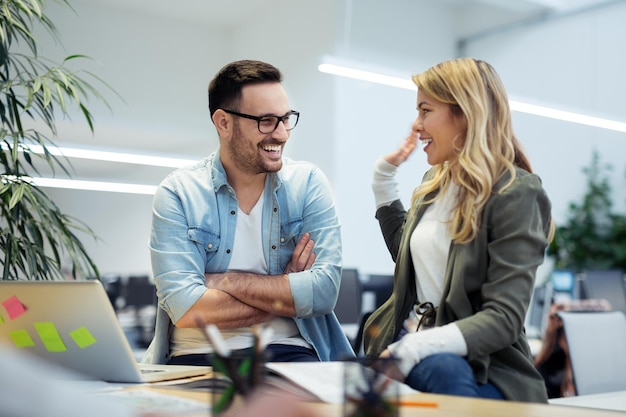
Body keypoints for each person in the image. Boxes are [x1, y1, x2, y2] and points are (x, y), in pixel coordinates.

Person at [363, 57, 553, 403]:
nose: (416, 125)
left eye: (425, 110)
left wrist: (416, 346)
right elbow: (408, 259)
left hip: (486, 369)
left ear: (464, 114)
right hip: (425, 357)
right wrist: (383, 179)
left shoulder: (516, 192)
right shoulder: (433, 185)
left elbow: (504, 318)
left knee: (443, 369)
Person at [143, 59, 354, 366]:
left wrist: (224, 282)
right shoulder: (178, 193)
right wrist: (287, 290)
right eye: (266, 120)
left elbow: (322, 294)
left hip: (288, 350)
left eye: (286, 118)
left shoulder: (307, 184)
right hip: (196, 356)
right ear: (223, 122)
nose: (281, 134)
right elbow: (187, 309)